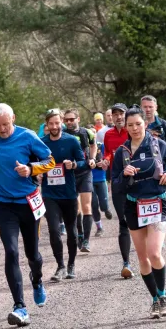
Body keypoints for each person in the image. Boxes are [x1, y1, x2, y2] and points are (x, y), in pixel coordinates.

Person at [0, 103, 55, 327]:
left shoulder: (28, 136)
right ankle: (19, 307)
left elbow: (49, 161)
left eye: (6, 124)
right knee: (11, 251)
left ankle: (37, 280)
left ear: (13, 117)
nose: (2, 129)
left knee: (33, 255)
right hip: (4, 204)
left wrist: (31, 169)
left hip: (29, 202)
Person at [112, 105, 166, 318]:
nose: (134, 128)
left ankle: (163, 296)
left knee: (154, 253)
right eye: (130, 125)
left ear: (145, 124)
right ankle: (154, 300)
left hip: (157, 204)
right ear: (125, 126)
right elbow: (115, 182)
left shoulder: (158, 145)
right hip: (133, 206)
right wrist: (124, 174)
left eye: (138, 124)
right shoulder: (122, 152)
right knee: (142, 259)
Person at [40, 109, 85, 281]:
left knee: (72, 232)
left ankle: (71, 264)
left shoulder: (71, 141)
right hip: (50, 194)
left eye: (57, 123)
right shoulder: (42, 143)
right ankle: (60, 266)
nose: (54, 126)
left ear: (62, 123)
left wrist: (73, 164)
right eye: (51, 124)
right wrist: (38, 171)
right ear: (47, 125)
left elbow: (82, 162)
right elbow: (34, 162)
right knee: (53, 230)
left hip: (69, 193)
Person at [101, 103, 134, 278]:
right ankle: (126, 263)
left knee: (141, 221)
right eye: (115, 115)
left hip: (137, 183)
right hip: (118, 183)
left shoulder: (133, 131)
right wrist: (106, 160)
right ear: (111, 117)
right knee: (123, 222)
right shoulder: (108, 134)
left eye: (121, 114)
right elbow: (108, 152)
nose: (118, 117)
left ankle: (151, 253)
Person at [63, 108, 97, 252]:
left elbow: (93, 145)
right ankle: (81, 234)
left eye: (72, 119)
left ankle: (86, 241)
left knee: (87, 206)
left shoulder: (87, 132)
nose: (69, 122)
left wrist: (93, 158)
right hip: (69, 174)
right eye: (67, 120)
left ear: (78, 119)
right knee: (76, 208)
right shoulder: (62, 134)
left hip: (85, 172)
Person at [92, 141, 112, 237]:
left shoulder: (102, 146)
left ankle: (106, 209)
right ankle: (99, 228)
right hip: (89, 180)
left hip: (101, 178)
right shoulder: (84, 147)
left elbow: (108, 156)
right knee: (94, 204)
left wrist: (104, 161)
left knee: (103, 205)